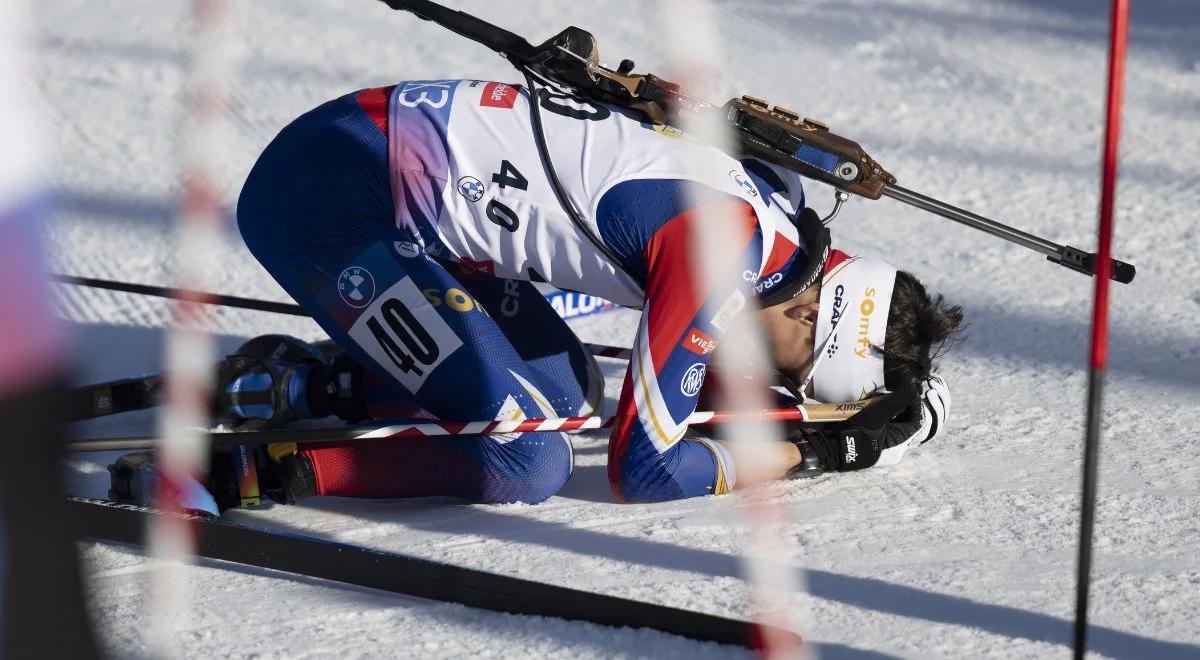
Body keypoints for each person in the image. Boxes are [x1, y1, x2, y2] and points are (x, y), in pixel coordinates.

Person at [113, 79, 963, 511]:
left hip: (382, 169)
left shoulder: (781, 215)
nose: (777, 390)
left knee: (566, 395)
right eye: (797, 376)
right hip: (329, 204)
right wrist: (813, 451)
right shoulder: (719, 260)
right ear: (813, 311)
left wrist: (884, 395)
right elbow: (646, 470)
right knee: (528, 458)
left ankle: (311, 383)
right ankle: (256, 474)